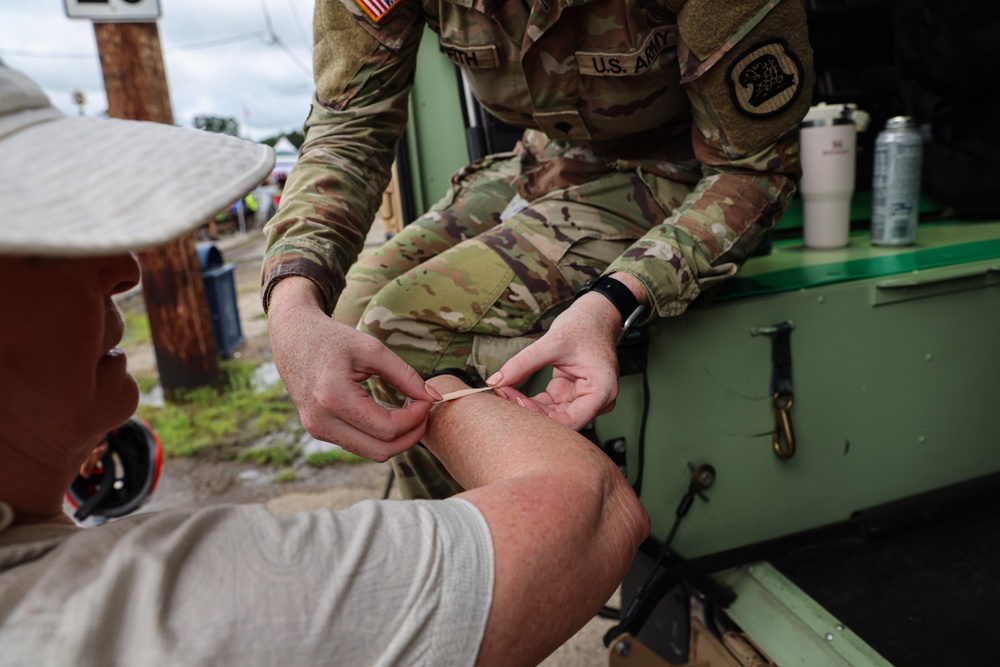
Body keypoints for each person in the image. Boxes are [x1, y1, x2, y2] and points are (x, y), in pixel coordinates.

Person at [0, 62, 648, 665]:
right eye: (53, 247)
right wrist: (447, 381)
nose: (122, 270)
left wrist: (294, 302)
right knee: (395, 319)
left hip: (625, 174)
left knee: (371, 308)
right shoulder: (168, 609)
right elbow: (593, 511)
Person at [261, 0, 816, 497]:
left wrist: (610, 304)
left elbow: (754, 169)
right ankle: (473, 536)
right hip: (548, 160)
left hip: (684, 175)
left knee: (404, 328)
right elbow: (348, 130)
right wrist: (290, 308)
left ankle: (515, 562)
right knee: (352, 314)